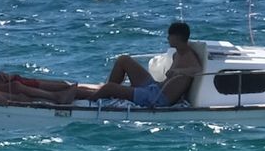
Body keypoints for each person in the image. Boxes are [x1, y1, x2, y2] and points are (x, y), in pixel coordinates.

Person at [54, 21, 201, 109]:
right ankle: (108, 94)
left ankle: (89, 102)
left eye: (170, 35)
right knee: (123, 60)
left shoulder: (189, 56)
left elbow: (197, 69)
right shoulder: (177, 53)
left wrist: (179, 72)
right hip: (154, 87)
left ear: (177, 37)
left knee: (110, 87)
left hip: (158, 98)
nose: (167, 38)